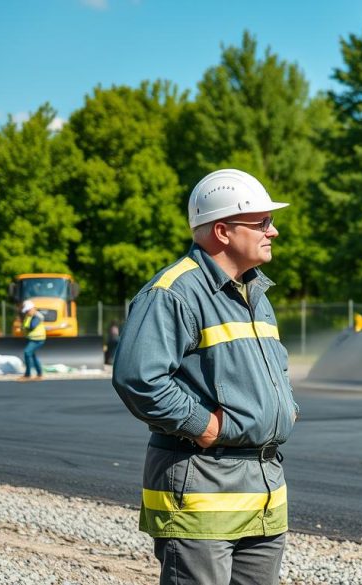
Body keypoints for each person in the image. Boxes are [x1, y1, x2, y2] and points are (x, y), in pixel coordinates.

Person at [112, 169, 299, 585]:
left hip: (263, 488)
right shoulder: (173, 293)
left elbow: (273, 367)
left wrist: (286, 407)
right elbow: (138, 378)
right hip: (202, 489)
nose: (274, 231)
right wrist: (205, 425)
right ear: (223, 231)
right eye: (262, 222)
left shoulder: (255, 294)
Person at [19, 300, 46, 381]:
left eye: (28, 310)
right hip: (33, 338)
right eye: (26, 311)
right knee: (33, 356)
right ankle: (39, 374)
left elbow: (32, 326)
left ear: (33, 308)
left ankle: (28, 374)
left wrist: (25, 328)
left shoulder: (37, 316)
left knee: (27, 352)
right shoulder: (30, 316)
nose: (27, 312)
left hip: (38, 339)